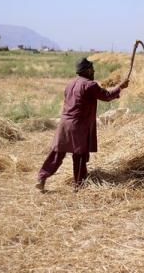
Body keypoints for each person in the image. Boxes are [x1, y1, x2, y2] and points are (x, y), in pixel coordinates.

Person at [36, 57, 129, 192]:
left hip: (64, 124)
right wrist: (120, 87)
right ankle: (79, 186)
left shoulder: (70, 84)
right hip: (78, 125)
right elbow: (106, 95)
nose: (94, 71)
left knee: (56, 154)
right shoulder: (90, 85)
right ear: (87, 70)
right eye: (92, 69)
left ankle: (41, 177)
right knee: (79, 156)